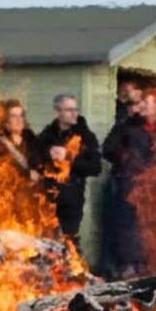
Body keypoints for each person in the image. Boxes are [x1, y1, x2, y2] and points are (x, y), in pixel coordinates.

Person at [100, 89, 156, 277]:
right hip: (129, 188)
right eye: (142, 103)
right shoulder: (126, 127)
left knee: (151, 229)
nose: (143, 107)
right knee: (128, 228)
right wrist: (125, 158)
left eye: (147, 103)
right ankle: (127, 266)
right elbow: (107, 150)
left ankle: (146, 266)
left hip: (155, 192)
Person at [36, 94, 102, 244]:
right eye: (69, 110)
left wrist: (69, 159)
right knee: (47, 242)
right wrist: (48, 154)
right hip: (48, 197)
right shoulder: (47, 135)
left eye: (75, 109)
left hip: (72, 198)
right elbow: (34, 159)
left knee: (69, 241)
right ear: (57, 112)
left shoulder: (85, 136)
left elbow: (95, 167)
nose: (74, 113)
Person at [0, 99, 47, 233]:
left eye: (21, 115)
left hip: (32, 205)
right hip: (6, 206)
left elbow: (43, 166)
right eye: (13, 116)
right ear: (4, 120)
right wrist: (26, 174)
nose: (19, 120)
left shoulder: (33, 142)